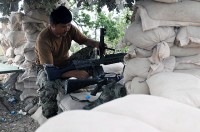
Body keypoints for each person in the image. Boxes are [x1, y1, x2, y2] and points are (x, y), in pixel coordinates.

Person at [35, 6, 100, 118]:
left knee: (90, 50)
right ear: (53, 25)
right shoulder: (43, 39)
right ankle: (51, 116)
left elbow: (84, 40)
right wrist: (75, 73)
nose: (67, 28)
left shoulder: (69, 29)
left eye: (69, 25)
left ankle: (91, 79)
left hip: (65, 63)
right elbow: (51, 72)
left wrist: (98, 44)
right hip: (46, 69)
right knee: (49, 83)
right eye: (63, 26)